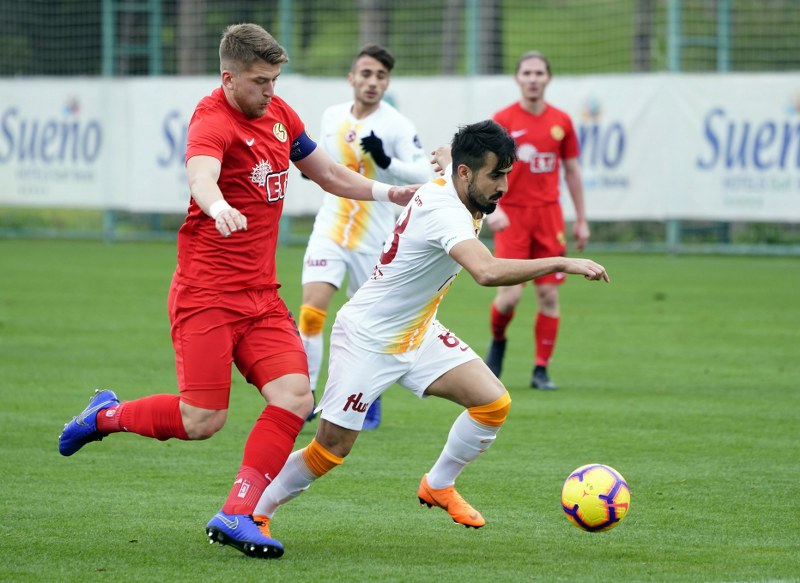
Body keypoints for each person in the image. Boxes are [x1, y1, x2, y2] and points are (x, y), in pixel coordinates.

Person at [57, 23, 416, 560]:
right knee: (202, 421)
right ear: (229, 78)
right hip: (205, 296)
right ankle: (105, 414)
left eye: (274, 80)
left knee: (296, 397)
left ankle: (237, 511)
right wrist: (217, 203)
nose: (270, 91)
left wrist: (391, 192)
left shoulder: (280, 115)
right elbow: (202, 176)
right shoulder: (211, 121)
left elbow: (328, 175)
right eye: (260, 81)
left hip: (260, 297)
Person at [251, 120, 609, 550]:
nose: (503, 186)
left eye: (507, 175)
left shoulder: (453, 178)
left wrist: (444, 156)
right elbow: (487, 270)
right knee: (331, 448)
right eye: (496, 175)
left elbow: (443, 155)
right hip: (368, 337)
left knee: (493, 402)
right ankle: (257, 511)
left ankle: (438, 484)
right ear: (465, 174)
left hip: (417, 331)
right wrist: (560, 262)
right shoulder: (444, 209)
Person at [299, 44, 431, 431]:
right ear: (351, 78)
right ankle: (305, 396)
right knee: (312, 312)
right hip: (331, 226)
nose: (373, 82)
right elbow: (321, 162)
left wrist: (388, 162)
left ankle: (367, 400)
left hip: (375, 236)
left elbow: (423, 172)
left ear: (387, 82)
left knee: (368, 327)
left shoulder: (397, 125)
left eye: (380, 76)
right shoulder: (332, 116)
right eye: (366, 74)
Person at [485, 51, 590, 390]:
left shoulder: (561, 121)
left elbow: (572, 171)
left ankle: (540, 369)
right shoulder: (502, 120)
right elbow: (487, 171)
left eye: (539, 73)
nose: (533, 78)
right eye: (527, 73)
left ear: (548, 78)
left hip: (549, 216)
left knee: (548, 296)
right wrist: (493, 209)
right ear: (518, 78)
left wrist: (582, 220)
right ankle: (498, 339)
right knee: (510, 297)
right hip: (512, 216)